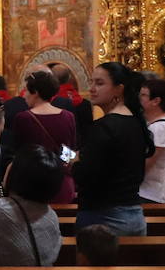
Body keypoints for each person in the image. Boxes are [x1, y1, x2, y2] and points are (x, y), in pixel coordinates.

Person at [72, 62, 153, 236]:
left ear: (119, 89)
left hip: (103, 218)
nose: (92, 89)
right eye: (91, 82)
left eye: (100, 83)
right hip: (133, 214)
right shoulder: (135, 122)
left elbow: (87, 176)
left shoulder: (104, 126)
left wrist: (74, 163)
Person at [9, 70, 77, 203]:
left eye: (27, 91)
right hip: (62, 183)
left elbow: (19, 155)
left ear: (36, 92)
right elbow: (70, 152)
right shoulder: (69, 116)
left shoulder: (23, 118)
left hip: (34, 185)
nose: (24, 96)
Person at [139, 77, 165, 204]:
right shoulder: (156, 125)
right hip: (152, 193)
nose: (139, 98)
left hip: (156, 195)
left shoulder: (161, 128)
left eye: (144, 95)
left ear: (156, 101)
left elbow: (146, 164)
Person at [50, 61, 95, 141]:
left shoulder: (49, 103)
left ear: (52, 79)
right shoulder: (85, 103)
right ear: (69, 78)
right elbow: (88, 133)